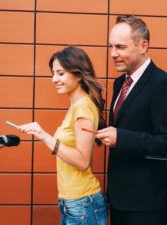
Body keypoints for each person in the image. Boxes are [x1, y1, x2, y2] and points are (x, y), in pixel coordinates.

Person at [95, 15, 167, 225]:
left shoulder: (163, 84)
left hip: (147, 204)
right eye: (111, 47)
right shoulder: (119, 83)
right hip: (119, 199)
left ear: (143, 45)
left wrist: (121, 138)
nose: (113, 54)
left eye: (120, 47)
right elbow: (126, 125)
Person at [18, 46, 107, 225]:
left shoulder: (83, 107)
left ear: (79, 74)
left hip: (82, 202)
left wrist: (44, 136)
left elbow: (82, 161)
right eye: (53, 73)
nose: (54, 79)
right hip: (73, 201)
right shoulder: (76, 106)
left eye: (60, 73)